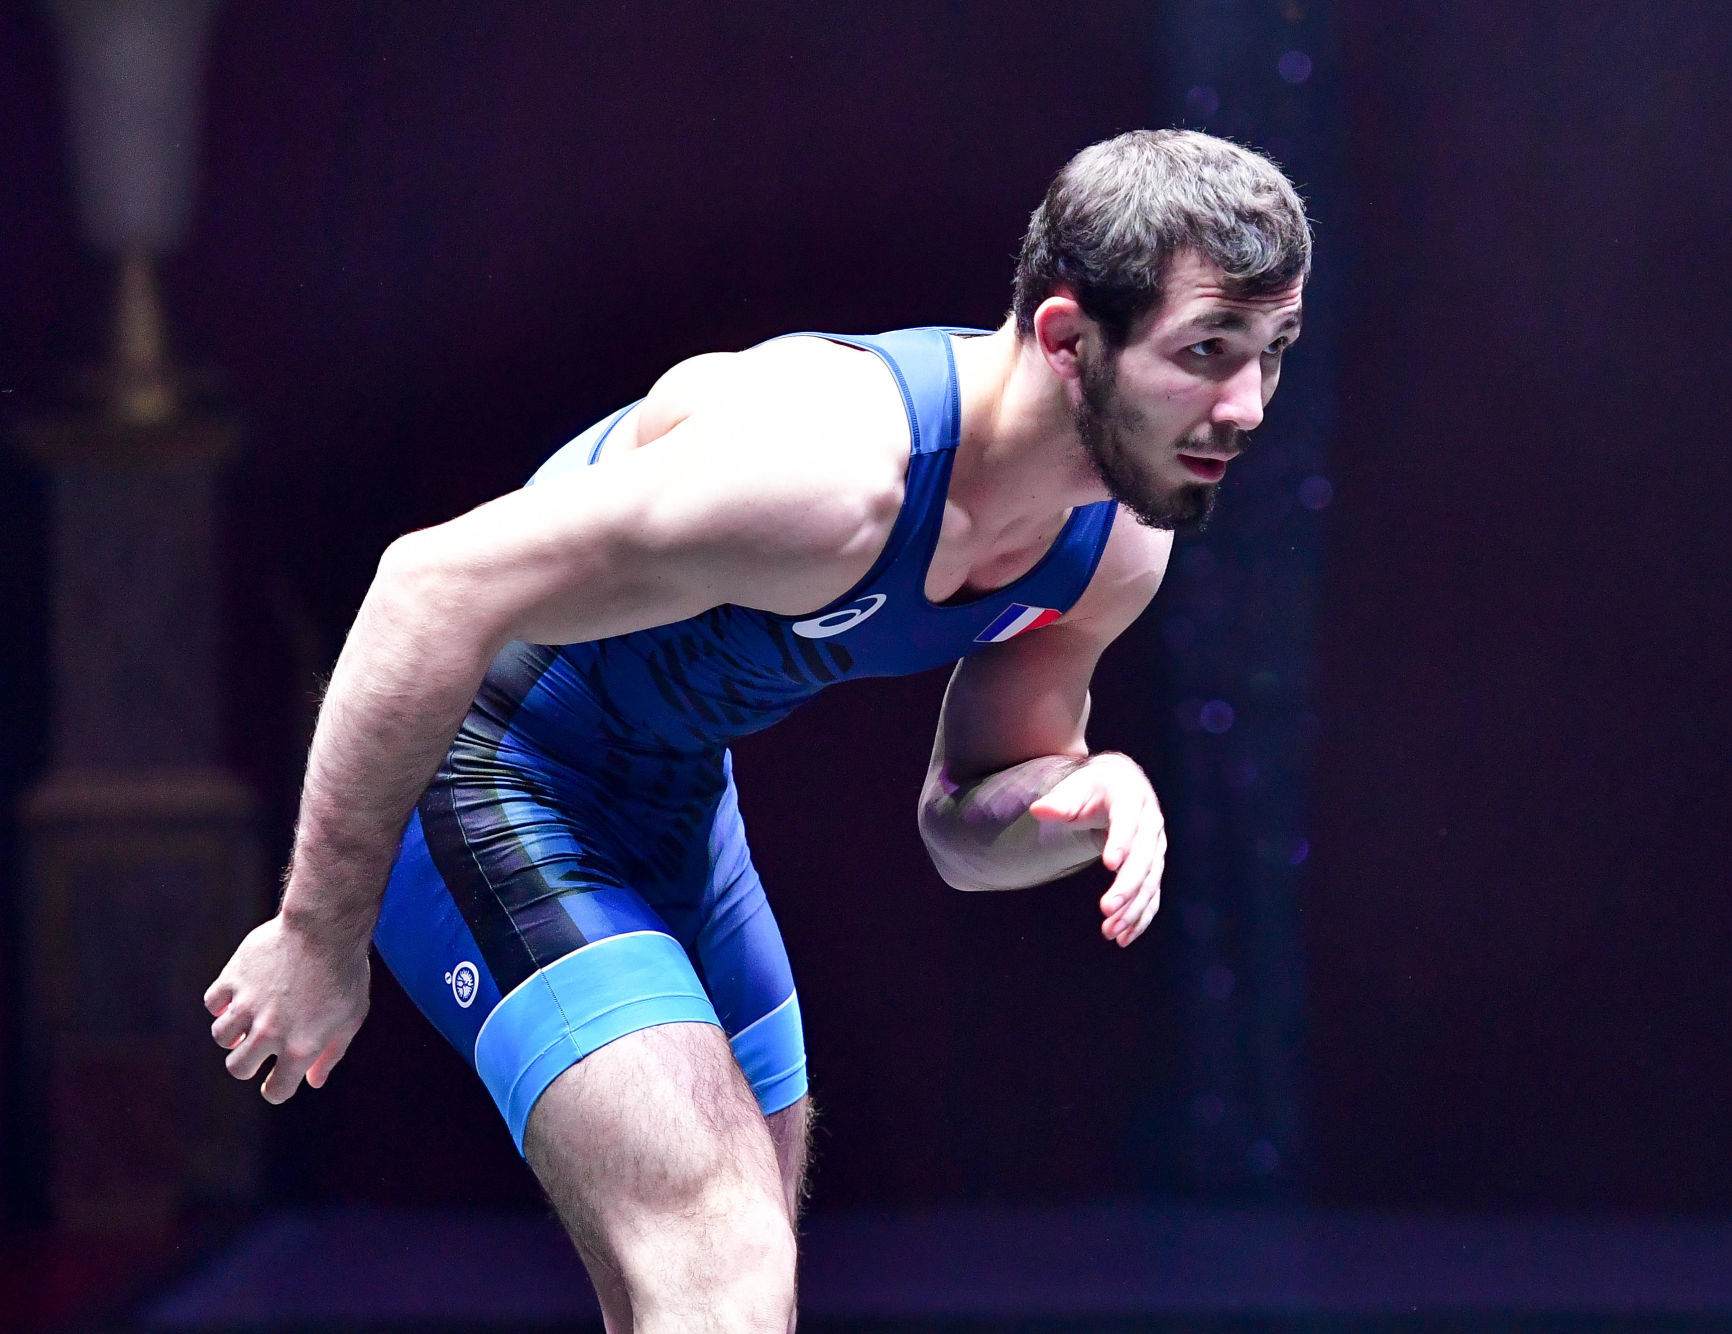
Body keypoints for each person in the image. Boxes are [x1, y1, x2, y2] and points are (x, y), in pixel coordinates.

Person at [202, 128, 1310, 1332]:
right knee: (720, 1247)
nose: (1245, 406)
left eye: (1271, 353)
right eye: (1206, 352)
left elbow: (961, 822)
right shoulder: (829, 469)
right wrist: (320, 926)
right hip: (481, 763)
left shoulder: (1113, 542)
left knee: (728, 1287)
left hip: (672, 800)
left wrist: (1082, 795)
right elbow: (427, 586)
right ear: (1062, 339)